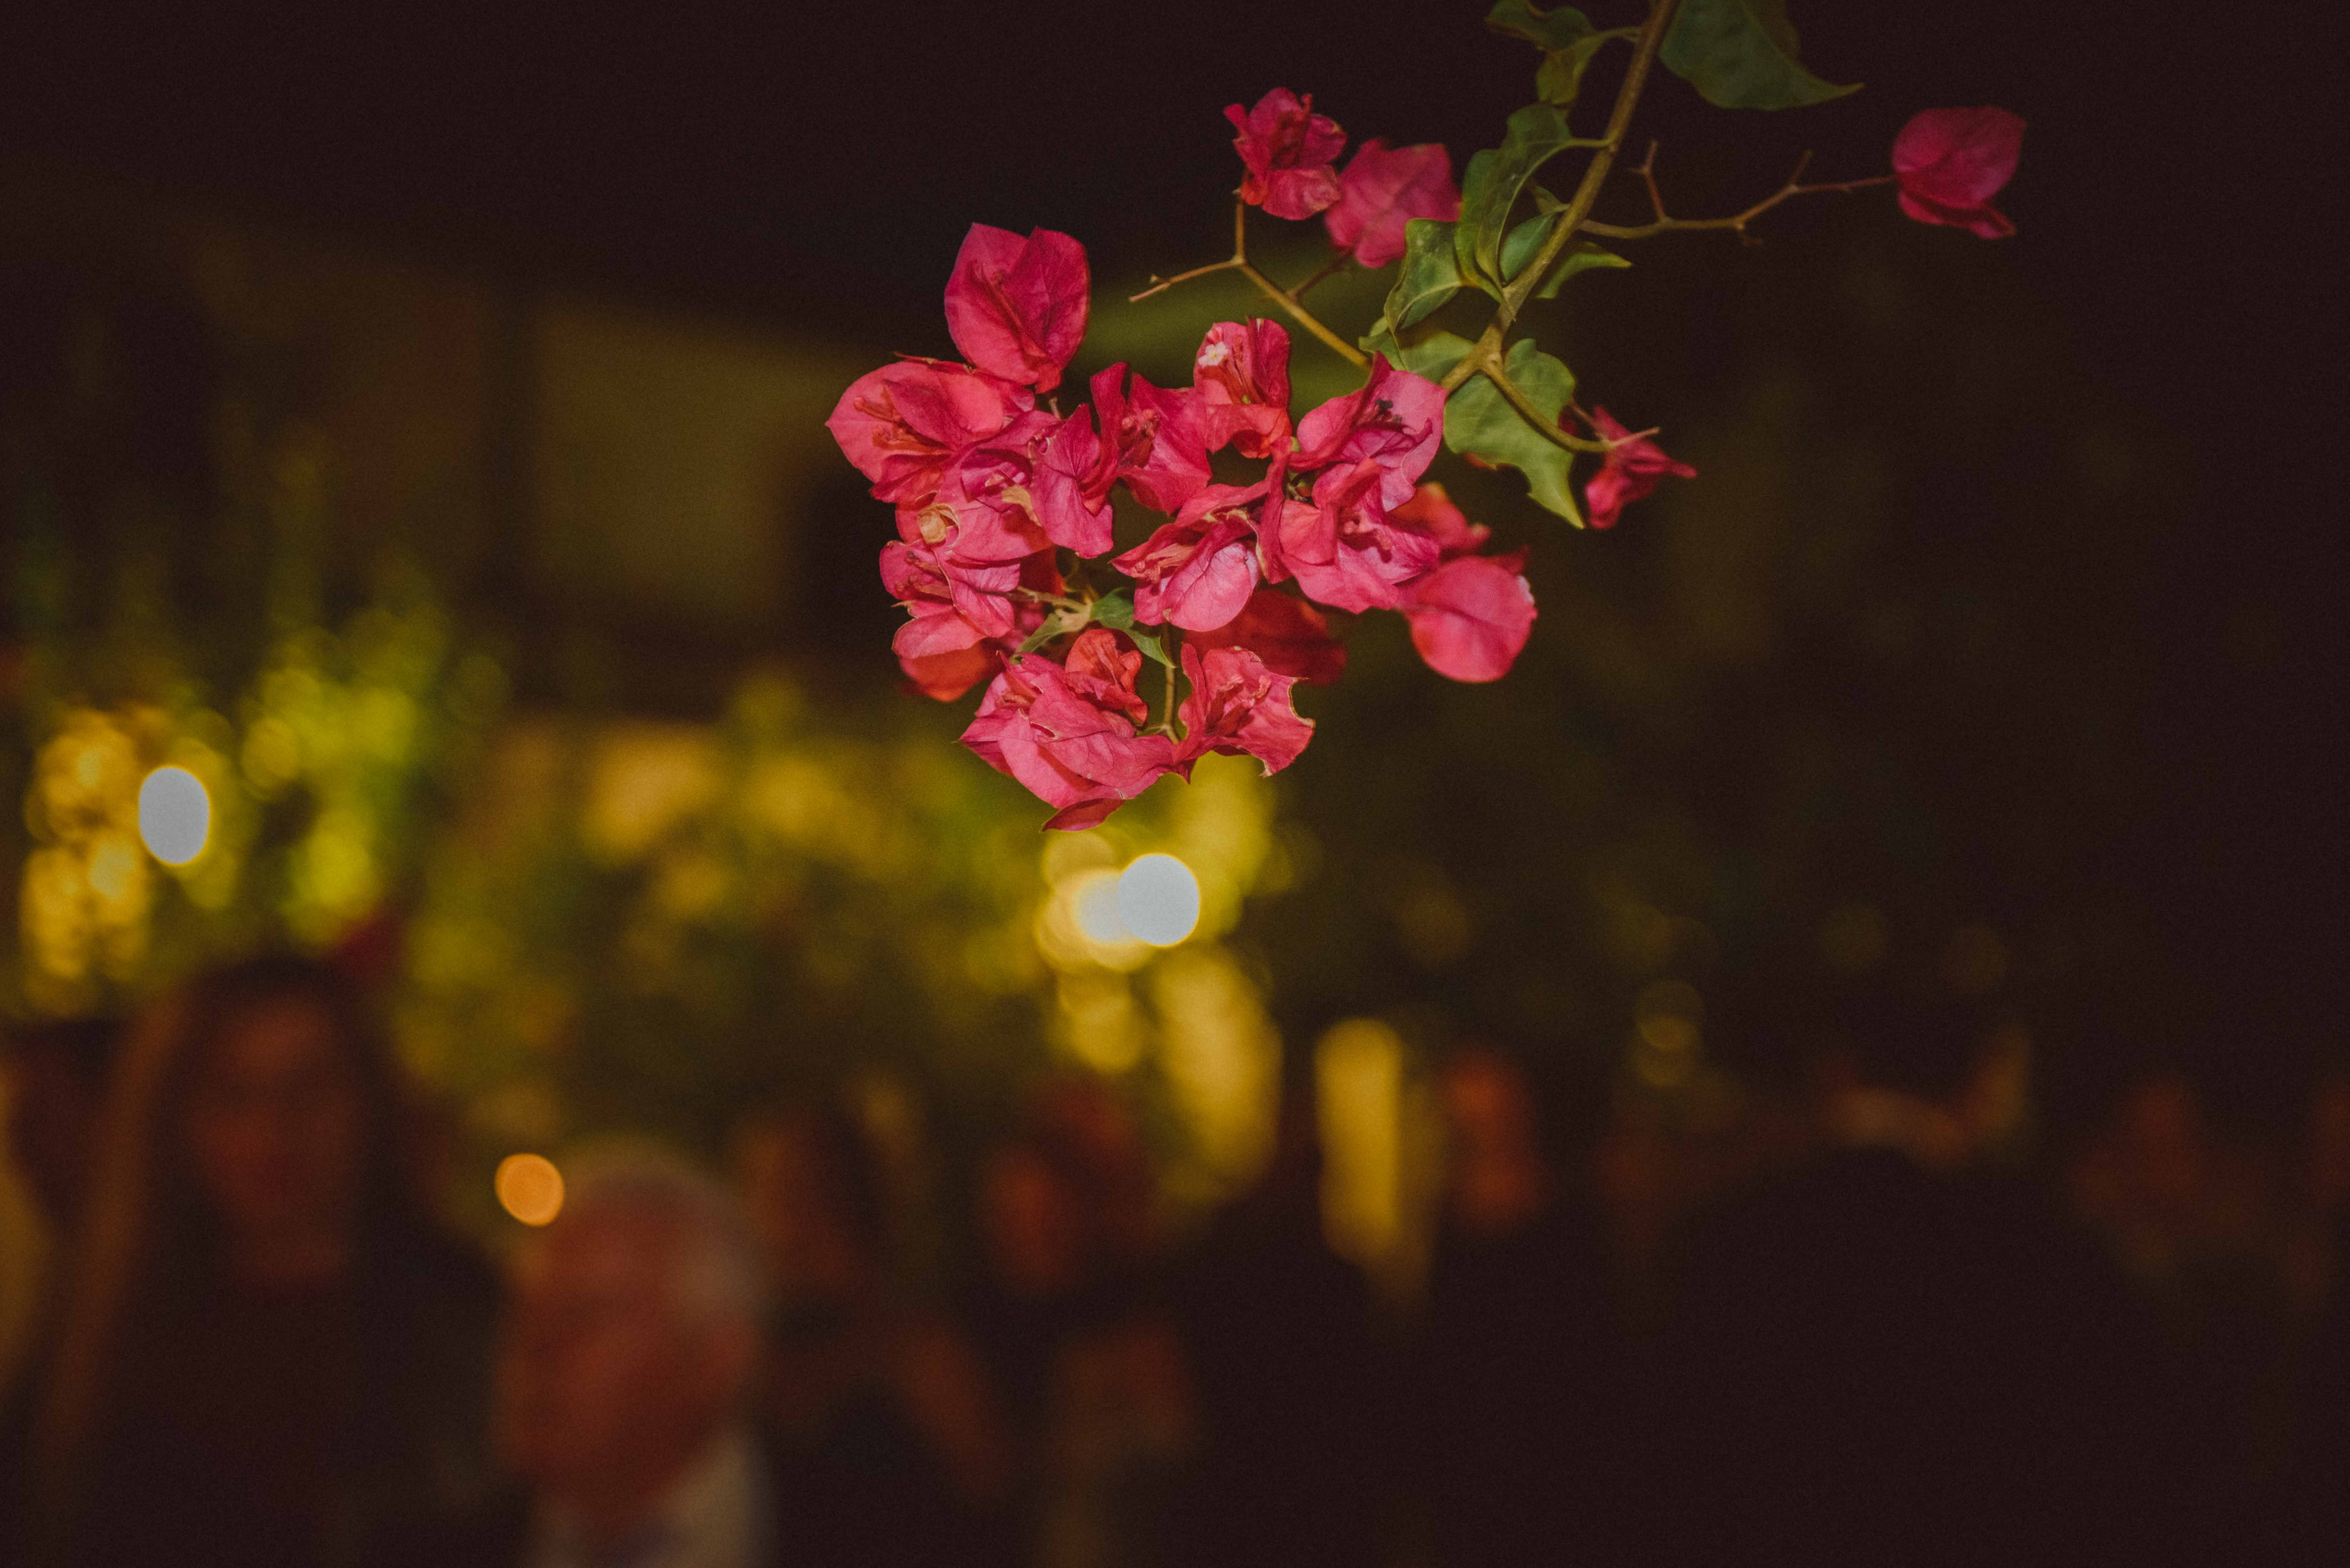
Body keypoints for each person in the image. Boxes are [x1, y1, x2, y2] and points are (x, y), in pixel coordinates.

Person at [26, 953, 500, 1568]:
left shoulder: (456, 1317)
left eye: (309, 1088)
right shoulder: (107, 1319)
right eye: (234, 1094)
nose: (273, 1129)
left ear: (369, 1102)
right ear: (177, 1117)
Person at [732, 1100, 1010, 1562]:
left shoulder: (923, 1354)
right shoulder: (757, 1345)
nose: (750, 1213)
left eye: (771, 1189)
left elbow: (993, 1502)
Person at [1414, 1046, 1621, 1568]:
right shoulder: (1445, 1209)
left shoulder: (1568, 1209)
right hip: (1469, 1442)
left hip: (1555, 1442)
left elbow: (1593, 1335)